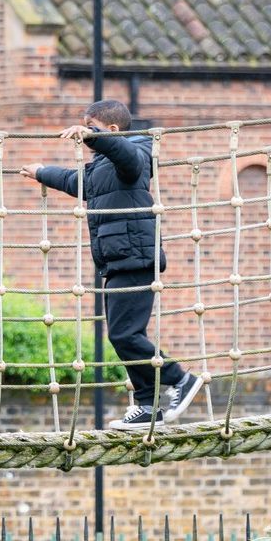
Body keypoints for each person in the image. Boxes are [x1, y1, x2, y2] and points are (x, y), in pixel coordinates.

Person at [20, 100, 203, 430]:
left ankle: (180, 379)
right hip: (118, 258)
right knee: (124, 334)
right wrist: (42, 173)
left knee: (124, 334)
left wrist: (92, 136)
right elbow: (79, 184)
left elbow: (126, 156)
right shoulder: (101, 167)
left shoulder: (136, 153)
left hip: (134, 255)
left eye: (91, 126)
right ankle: (148, 403)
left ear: (112, 130)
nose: (84, 135)